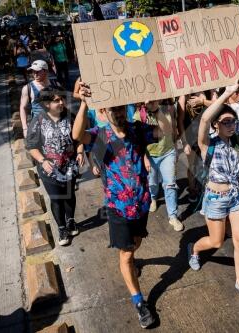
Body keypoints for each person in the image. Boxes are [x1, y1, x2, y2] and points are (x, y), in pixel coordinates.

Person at [72, 82, 172, 329]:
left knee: (135, 245)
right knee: (126, 254)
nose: (117, 113)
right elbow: (77, 136)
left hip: (141, 203)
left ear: (126, 109)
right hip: (118, 208)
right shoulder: (100, 135)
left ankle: (133, 263)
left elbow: (164, 132)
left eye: (120, 108)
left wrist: (156, 107)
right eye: (111, 110)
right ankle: (139, 303)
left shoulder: (137, 129)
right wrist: (84, 103)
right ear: (104, 112)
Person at [187, 81, 239, 301]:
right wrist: (226, 94)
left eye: (233, 122)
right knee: (216, 242)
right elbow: (206, 118)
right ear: (217, 125)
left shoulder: (237, 145)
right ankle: (195, 250)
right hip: (216, 198)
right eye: (225, 122)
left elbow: (238, 176)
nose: (231, 125)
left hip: (235, 197)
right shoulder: (208, 144)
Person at [27, 87, 84, 246]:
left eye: (62, 99)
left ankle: (71, 221)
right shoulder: (38, 120)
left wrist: (79, 152)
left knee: (69, 194)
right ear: (46, 104)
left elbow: (79, 137)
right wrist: (42, 161)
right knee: (57, 198)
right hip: (49, 170)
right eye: (57, 100)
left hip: (69, 166)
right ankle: (62, 229)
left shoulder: (70, 116)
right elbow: (31, 146)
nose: (61, 102)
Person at [133, 99, 183, 231]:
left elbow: (169, 130)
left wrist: (176, 148)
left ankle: (173, 216)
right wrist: (145, 157)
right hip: (150, 155)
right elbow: (137, 140)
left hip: (167, 152)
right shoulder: (138, 115)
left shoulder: (165, 110)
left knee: (170, 184)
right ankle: (153, 198)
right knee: (152, 182)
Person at [178, 91, 216, 203]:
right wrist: (184, 142)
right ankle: (193, 189)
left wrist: (203, 101)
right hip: (191, 136)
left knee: (209, 163)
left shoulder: (210, 92)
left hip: (208, 135)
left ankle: (206, 188)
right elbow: (180, 121)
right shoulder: (184, 96)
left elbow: (218, 105)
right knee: (192, 164)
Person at [19, 60, 61, 138]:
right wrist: (25, 128)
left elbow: (62, 104)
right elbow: (22, 107)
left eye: (37, 71)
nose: (34, 74)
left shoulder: (56, 84)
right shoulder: (28, 88)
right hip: (39, 128)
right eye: (33, 71)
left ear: (46, 71)